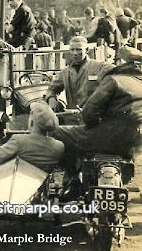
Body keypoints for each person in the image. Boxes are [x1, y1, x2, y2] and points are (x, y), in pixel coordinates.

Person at [53, 46, 142, 175]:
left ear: (120, 62)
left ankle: (72, 178)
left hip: (111, 135)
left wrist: (92, 123)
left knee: (58, 132)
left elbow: (89, 113)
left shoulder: (113, 80)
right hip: (137, 141)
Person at [0, 101, 64, 172]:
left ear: (32, 122)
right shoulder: (59, 146)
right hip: (43, 185)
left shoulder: (18, 141)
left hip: (21, 185)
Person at [45, 36, 115, 111]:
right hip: (71, 117)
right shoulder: (65, 73)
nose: (75, 53)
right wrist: (51, 98)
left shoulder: (99, 67)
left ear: (87, 50)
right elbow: (52, 89)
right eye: (72, 50)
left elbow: (115, 76)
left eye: (79, 50)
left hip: (93, 116)